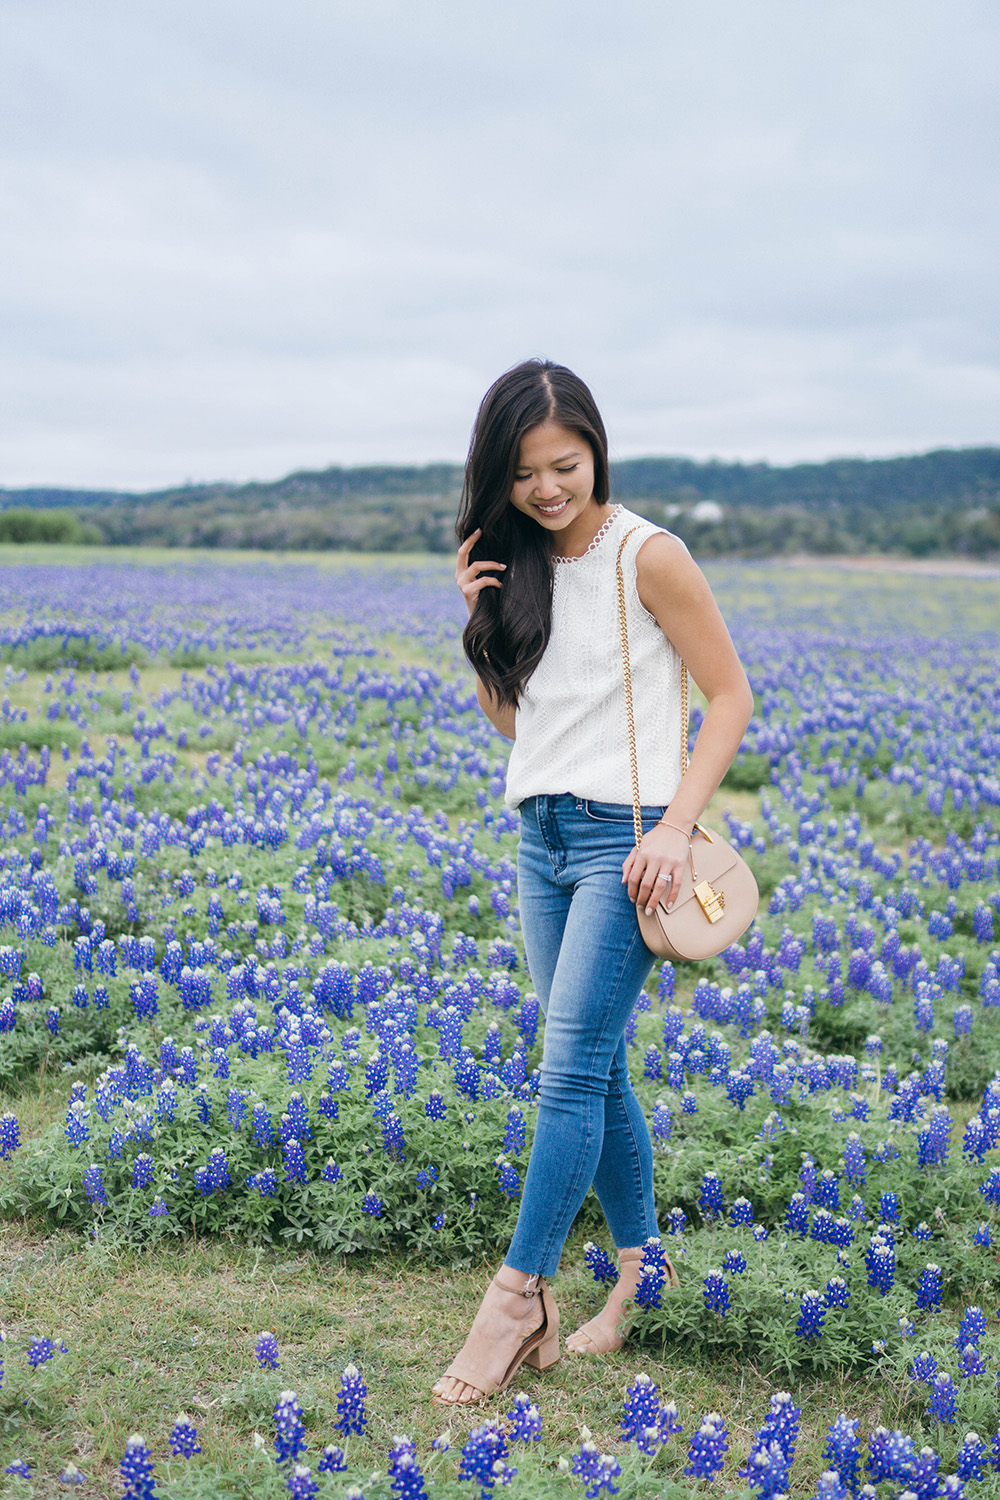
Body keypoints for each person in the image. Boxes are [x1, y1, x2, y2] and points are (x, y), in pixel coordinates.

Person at [433, 359, 753, 1405]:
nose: (546, 489)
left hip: (629, 847)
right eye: (523, 473)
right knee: (598, 1067)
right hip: (541, 835)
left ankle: (517, 1301)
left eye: (562, 465)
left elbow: (731, 696)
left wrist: (670, 824)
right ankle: (639, 1280)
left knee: (566, 1071)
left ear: (595, 451)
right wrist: (478, 632)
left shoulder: (646, 556)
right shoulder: (518, 561)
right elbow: (528, 728)